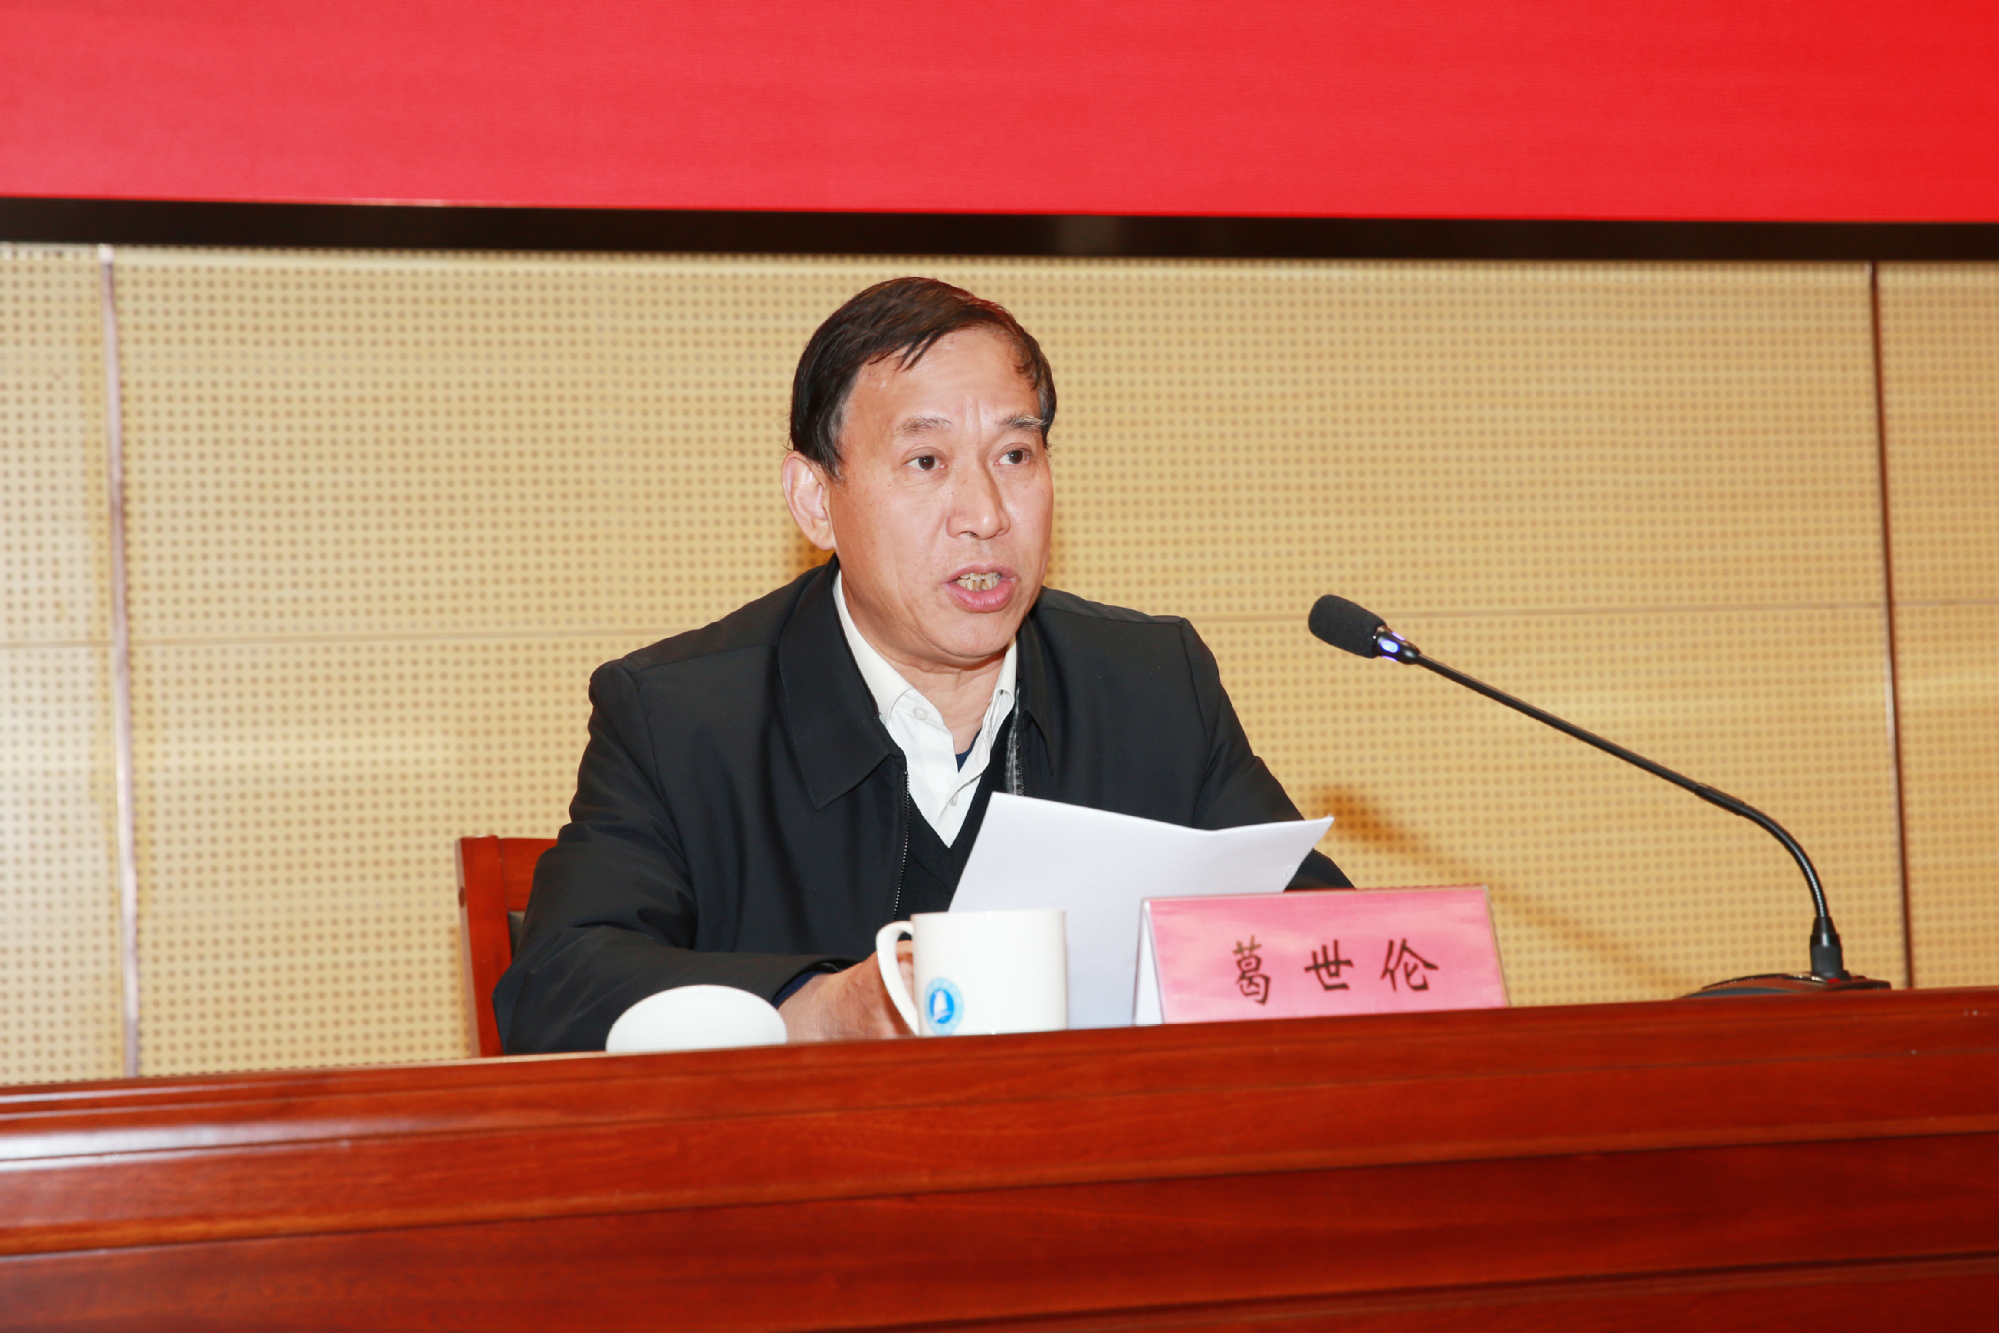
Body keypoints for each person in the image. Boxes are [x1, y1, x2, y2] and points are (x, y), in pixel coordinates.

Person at [494, 277, 1349, 1052]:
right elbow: (554, 987)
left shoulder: (1150, 683)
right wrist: (816, 1009)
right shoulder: (681, 715)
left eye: (1015, 456)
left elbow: (1326, 944)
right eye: (926, 462)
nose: (984, 513)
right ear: (815, 500)